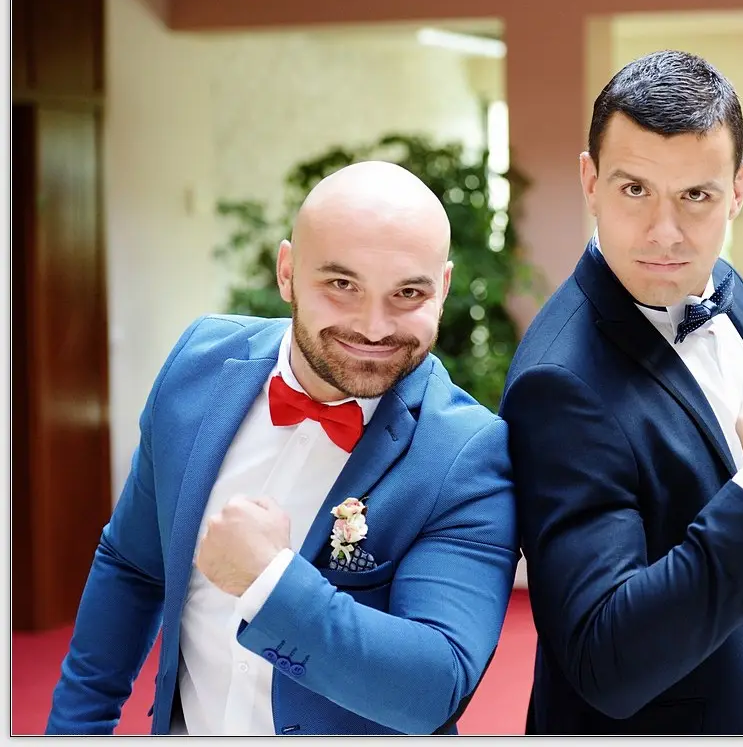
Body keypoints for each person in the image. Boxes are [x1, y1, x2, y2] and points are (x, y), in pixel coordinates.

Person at [46, 161, 518, 736]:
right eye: (341, 285)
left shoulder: (467, 453)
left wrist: (270, 582)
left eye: (408, 293)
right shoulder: (198, 364)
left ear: (442, 288)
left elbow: (434, 688)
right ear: (288, 272)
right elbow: (133, 565)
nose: (374, 327)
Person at [499, 50, 743, 735]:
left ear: (737, 189)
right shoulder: (558, 385)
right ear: (590, 181)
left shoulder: (726, 287)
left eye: (696, 196)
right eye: (634, 190)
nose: (665, 233)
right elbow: (605, 657)